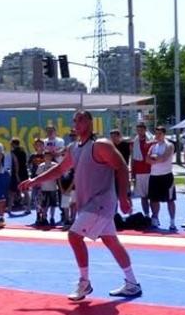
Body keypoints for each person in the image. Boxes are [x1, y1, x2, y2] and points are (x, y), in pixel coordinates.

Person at [21, 110, 143, 300]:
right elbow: (60, 169)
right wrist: (34, 180)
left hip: (102, 201)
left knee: (74, 236)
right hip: (89, 204)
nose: (77, 124)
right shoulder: (73, 148)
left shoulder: (101, 145)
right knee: (111, 241)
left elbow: (121, 166)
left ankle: (84, 283)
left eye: (81, 120)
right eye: (75, 120)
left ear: (90, 122)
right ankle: (132, 283)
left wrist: (123, 197)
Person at [147, 125, 177, 231]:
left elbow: (164, 158)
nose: (157, 135)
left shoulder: (169, 145)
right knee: (154, 200)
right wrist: (155, 159)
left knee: (170, 200)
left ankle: (172, 221)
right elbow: (147, 160)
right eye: (156, 133)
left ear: (164, 134)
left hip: (166, 176)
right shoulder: (153, 146)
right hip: (154, 176)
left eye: (160, 133)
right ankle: (155, 219)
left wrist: (155, 158)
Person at [129, 123, 153, 219]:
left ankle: (154, 216)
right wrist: (133, 173)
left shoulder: (151, 141)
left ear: (145, 130)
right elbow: (133, 158)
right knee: (143, 196)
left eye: (141, 130)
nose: (139, 132)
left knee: (152, 196)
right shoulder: (134, 142)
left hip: (150, 172)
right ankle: (146, 215)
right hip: (139, 172)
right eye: (138, 130)